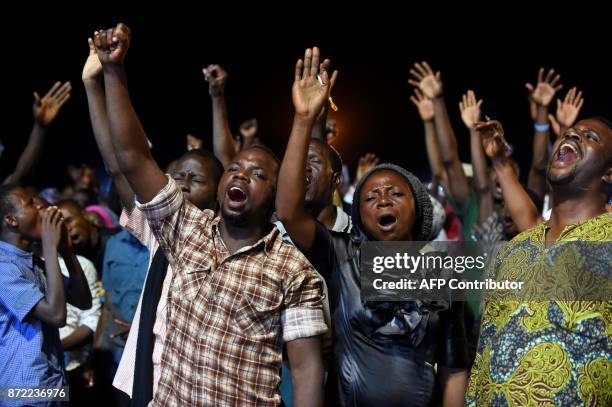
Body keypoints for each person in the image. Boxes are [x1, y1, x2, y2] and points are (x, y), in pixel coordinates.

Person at [94, 23, 327, 406]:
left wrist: (304, 120)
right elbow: (132, 158)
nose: (241, 175)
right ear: (221, 188)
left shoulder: (293, 270)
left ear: (273, 197)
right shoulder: (186, 229)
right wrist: (114, 72)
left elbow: (305, 371)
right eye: (235, 168)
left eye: (258, 175)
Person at [277, 46, 468, 406]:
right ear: (359, 214)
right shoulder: (340, 254)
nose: (382, 199)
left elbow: (455, 368)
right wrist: (304, 120)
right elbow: (288, 211)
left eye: (395, 192)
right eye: (370, 195)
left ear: (417, 207)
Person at [466, 117, 612, 406]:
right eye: (570, 131)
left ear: (609, 173)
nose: (571, 133)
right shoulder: (513, 250)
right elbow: (485, 350)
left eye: (590, 136)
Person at [0, 185, 90, 406]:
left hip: (54, 385)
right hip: (23, 392)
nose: (43, 209)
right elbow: (56, 315)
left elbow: (83, 301)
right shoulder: (3, 267)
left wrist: (67, 252)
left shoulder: (34, 263)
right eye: (31, 204)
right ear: (11, 220)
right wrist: (49, 248)